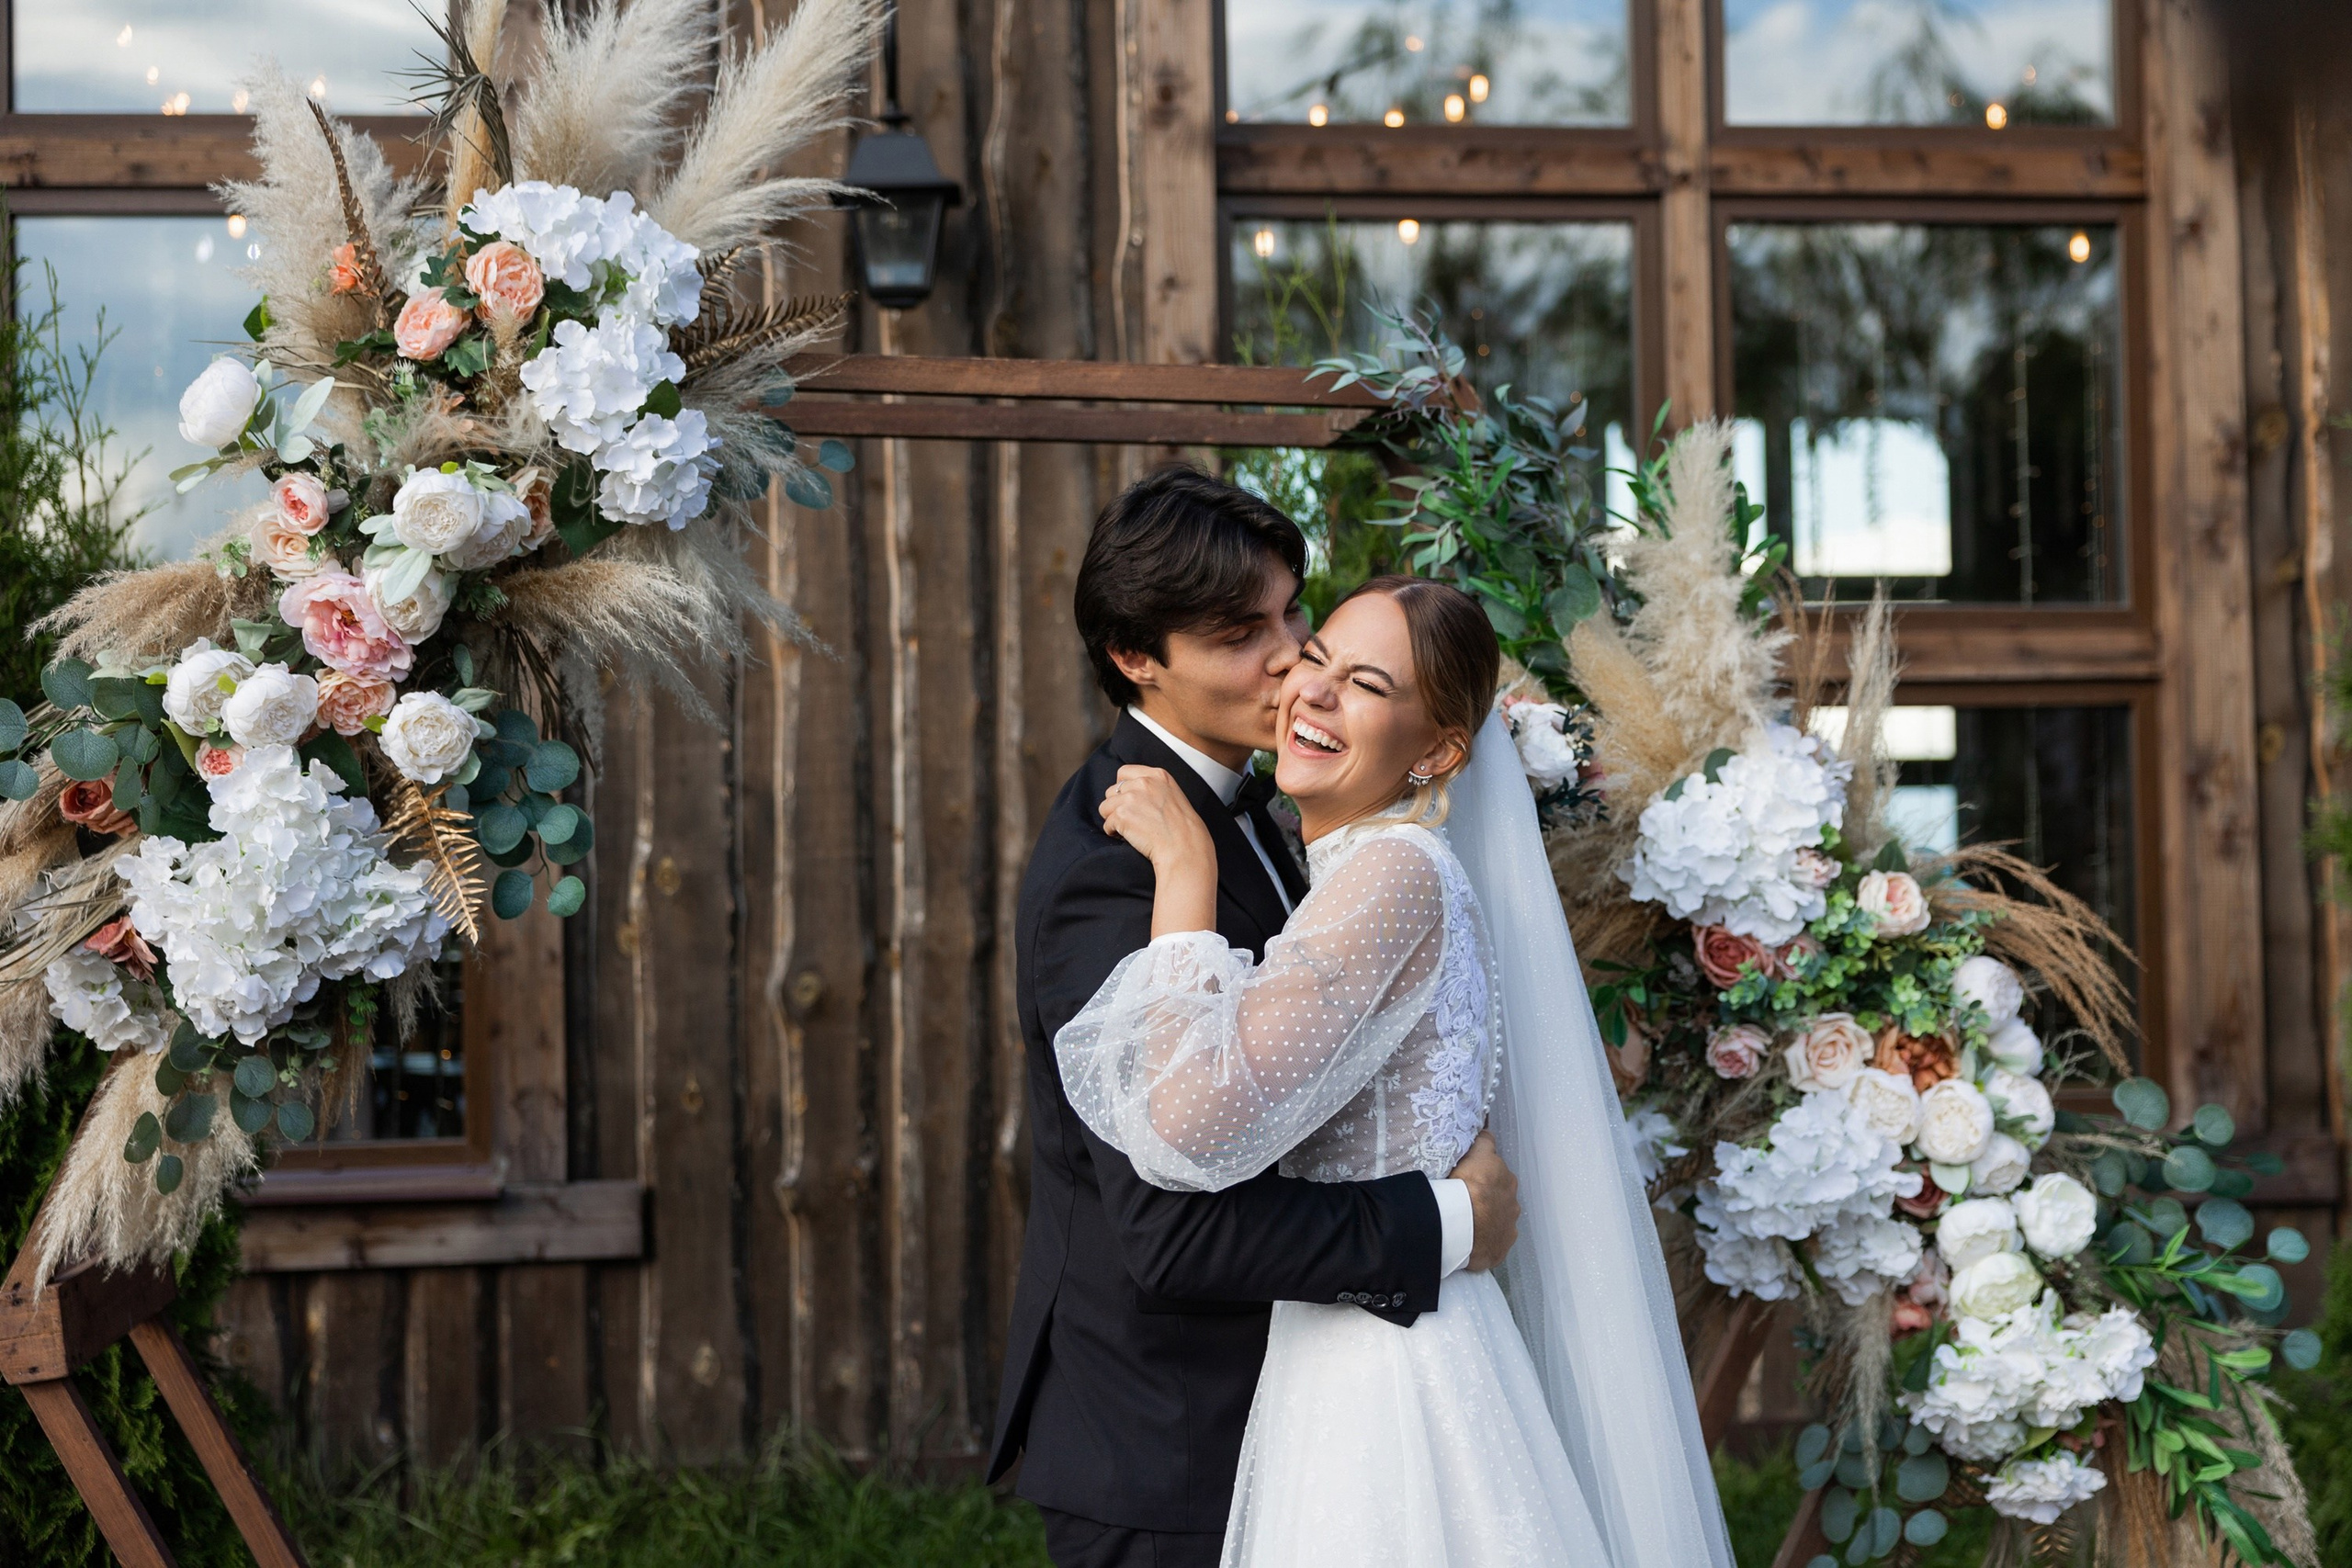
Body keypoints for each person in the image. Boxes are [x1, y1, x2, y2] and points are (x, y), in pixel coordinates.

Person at [1057, 572, 1736, 1567]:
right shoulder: (1375, 866)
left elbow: (1187, 1125)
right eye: (1318, 659)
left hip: (1383, 1377)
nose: (1313, 691)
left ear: (1438, 751)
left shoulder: (1388, 876)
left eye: (1367, 685)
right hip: (1363, 1335)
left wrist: (1187, 874)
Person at [988, 469, 1523, 1568]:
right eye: (1242, 634)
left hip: (1297, 1430)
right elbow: (1171, 1231)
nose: (1288, 659)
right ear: (1138, 658)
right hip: (1170, 1450)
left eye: (1295, 615)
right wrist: (1448, 1224)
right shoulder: (1115, 870)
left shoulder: (1280, 806)